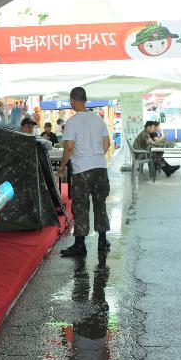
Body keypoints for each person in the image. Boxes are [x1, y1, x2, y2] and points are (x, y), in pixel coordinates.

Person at [58, 87, 111, 257]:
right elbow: (107, 144)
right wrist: (95, 156)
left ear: (73, 100)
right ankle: (102, 241)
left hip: (82, 170)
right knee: (100, 204)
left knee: (80, 206)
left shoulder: (72, 122)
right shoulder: (98, 119)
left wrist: (62, 166)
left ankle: (80, 245)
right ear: (85, 100)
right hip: (100, 167)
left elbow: (69, 148)